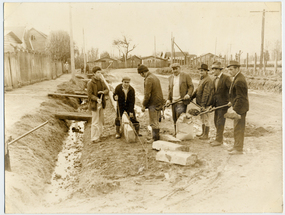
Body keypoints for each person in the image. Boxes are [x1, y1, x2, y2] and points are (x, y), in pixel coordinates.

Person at [227, 61, 249, 155]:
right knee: (236, 128)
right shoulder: (237, 77)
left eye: (231, 69)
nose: (229, 71)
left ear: (237, 69)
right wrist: (231, 102)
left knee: (239, 128)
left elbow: (240, 97)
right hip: (239, 107)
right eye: (229, 69)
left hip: (240, 109)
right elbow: (236, 95)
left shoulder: (239, 80)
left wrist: (235, 110)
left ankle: (238, 149)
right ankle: (236, 146)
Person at [165, 63, 194, 135]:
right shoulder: (170, 78)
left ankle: (181, 133)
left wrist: (188, 94)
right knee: (174, 118)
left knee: (180, 118)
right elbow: (170, 89)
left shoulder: (186, 76)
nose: (175, 71)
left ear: (180, 68)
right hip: (174, 102)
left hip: (181, 101)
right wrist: (168, 99)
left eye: (176, 68)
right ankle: (176, 132)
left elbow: (191, 86)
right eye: (173, 69)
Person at [137, 64, 164, 142]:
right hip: (159, 102)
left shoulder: (149, 79)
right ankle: (156, 137)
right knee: (156, 121)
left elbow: (147, 94)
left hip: (153, 103)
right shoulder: (155, 77)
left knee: (153, 122)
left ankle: (155, 139)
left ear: (143, 73)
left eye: (140, 74)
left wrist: (143, 105)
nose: (141, 76)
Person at [210, 61, 232, 147]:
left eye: (214, 69)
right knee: (216, 121)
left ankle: (218, 140)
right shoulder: (214, 79)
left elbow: (231, 90)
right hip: (216, 105)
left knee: (220, 122)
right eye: (212, 69)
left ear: (219, 70)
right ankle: (219, 138)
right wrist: (212, 105)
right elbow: (214, 93)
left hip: (223, 104)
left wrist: (231, 100)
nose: (213, 71)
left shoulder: (226, 78)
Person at [191, 64, 213, 140]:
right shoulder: (201, 79)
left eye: (202, 71)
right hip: (201, 104)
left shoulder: (208, 80)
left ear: (206, 71)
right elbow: (197, 90)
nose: (200, 72)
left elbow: (206, 94)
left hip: (206, 104)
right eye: (200, 70)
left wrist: (203, 105)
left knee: (206, 119)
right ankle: (203, 133)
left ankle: (206, 135)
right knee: (202, 118)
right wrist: (192, 97)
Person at [87, 66, 109, 143]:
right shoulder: (90, 83)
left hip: (101, 104)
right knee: (95, 122)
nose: (99, 74)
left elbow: (107, 90)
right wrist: (96, 99)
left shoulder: (101, 81)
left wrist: (103, 92)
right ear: (94, 74)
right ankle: (94, 138)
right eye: (98, 72)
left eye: (100, 72)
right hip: (94, 104)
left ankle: (99, 135)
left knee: (101, 121)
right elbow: (89, 95)